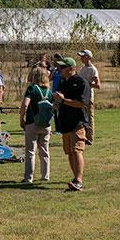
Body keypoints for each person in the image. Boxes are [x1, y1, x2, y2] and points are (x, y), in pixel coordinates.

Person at [54, 57, 91, 191]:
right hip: (65, 122)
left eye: (62, 68)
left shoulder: (82, 83)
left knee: (76, 150)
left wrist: (63, 101)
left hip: (78, 122)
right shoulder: (63, 82)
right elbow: (60, 99)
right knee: (69, 152)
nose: (60, 70)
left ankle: (78, 181)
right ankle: (75, 177)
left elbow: (81, 103)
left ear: (71, 69)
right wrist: (55, 104)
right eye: (59, 67)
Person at [20, 67, 53, 184]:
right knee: (44, 151)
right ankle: (45, 175)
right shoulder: (49, 91)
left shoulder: (32, 88)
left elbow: (25, 105)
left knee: (30, 151)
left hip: (32, 123)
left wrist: (21, 119)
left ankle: (29, 178)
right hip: (46, 125)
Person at [78, 49, 100, 145]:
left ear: (88, 57)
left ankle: (90, 138)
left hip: (89, 97)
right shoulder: (82, 69)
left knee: (90, 117)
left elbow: (98, 85)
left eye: (83, 56)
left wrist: (87, 84)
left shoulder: (93, 70)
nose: (81, 58)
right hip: (81, 96)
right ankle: (84, 136)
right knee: (82, 117)